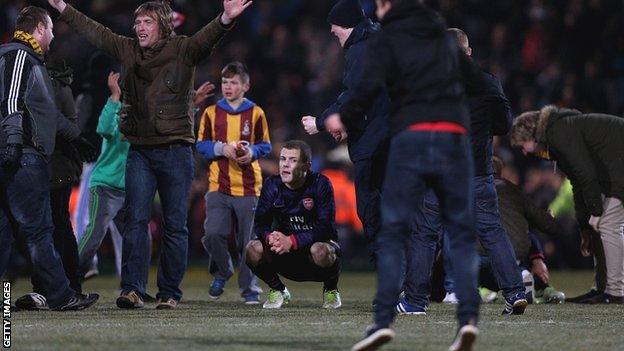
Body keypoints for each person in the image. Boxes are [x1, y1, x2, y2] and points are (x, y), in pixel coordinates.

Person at [46, 0, 253, 309]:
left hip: (175, 150)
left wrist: (225, 18)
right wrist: (63, 8)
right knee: (136, 222)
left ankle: (169, 293)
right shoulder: (127, 49)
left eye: (147, 22)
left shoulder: (184, 49)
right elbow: (95, 31)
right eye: (137, 22)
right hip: (140, 150)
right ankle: (132, 289)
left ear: (163, 26)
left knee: (174, 225)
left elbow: (208, 37)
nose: (139, 28)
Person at [324, 1, 481, 349]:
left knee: (393, 230)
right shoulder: (441, 41)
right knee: (459, 229)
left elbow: (365, 90)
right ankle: (468, 318)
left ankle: (383, 321)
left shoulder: (387, 41)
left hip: (412, 138)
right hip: (453, 137)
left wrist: (339, 118)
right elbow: (476, 81)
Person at [398, 27, 527, 316]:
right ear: (468, 52)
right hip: (478, 172)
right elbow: (503, 126)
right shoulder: (488, 83)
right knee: (493, 232)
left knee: (425, 234)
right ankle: (515, 292)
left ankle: (415, 301)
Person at [0, 6, 98, 311]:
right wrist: (14, 141)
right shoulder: (19, 56)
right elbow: (11, 100)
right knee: (39, 230)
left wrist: (75, 137)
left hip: (20, 154)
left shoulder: (28, 60)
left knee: (4, 232)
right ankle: (60, 294)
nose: (53, 36)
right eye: (51, 29)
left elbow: (48, 115)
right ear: (39, 28)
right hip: (23, 156)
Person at [301, 0, 389, 264]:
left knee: (373, 211)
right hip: (389, 138)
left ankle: (395, 282)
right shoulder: (376, 42)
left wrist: (322, 122)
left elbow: (355, 96)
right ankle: (418, 284)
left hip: (374, 145)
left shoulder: (360, 50)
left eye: (335, 26)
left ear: (348, 25)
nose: (331, 31)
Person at [511, 105, 624, 304]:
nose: (524, 152)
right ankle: (601, 287)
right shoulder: (558, 134)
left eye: (523, 144)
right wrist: (584, 226)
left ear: (532, 134)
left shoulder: (559, 132)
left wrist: (596, 212)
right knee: (596, 224)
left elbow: (586, 174)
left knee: (607, 223)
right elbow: (577, 183)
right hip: (613, 168)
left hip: (618, 167)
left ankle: (615, 292)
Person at [196, 62, 270, 304]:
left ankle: (250, 290)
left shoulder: (256, 113)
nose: (228, 87)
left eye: (234, 82)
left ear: (245, 86)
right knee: (213, 233)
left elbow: (265, 144)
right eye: (225, 82)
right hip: (219, 184)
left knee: (247, 242)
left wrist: (252, 153)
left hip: (249, 187)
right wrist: (221, 148)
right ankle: (223, 270)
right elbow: (201, 144)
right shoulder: (210, 113)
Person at [245, 140, 342, 310]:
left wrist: (292, 240)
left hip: (314, 256)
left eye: (292, 160)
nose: (285, 165)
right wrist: (270, 237)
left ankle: (331, 289)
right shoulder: (272, 185)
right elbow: (260, 224)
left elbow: (326, 227)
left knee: (320, 250)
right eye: (283, 159)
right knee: (252, 249)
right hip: (284, 252)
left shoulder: (321, 184)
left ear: (306, 166)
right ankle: (278, 289)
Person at [76, 72, 129, 280]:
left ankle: (132, 285)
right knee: (94, 235)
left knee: (136, 239)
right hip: (105, 186)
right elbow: (103, 128)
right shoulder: (115, 112)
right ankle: (73, 278)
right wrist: (114, 95)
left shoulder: (142, 118)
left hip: (128, 188)